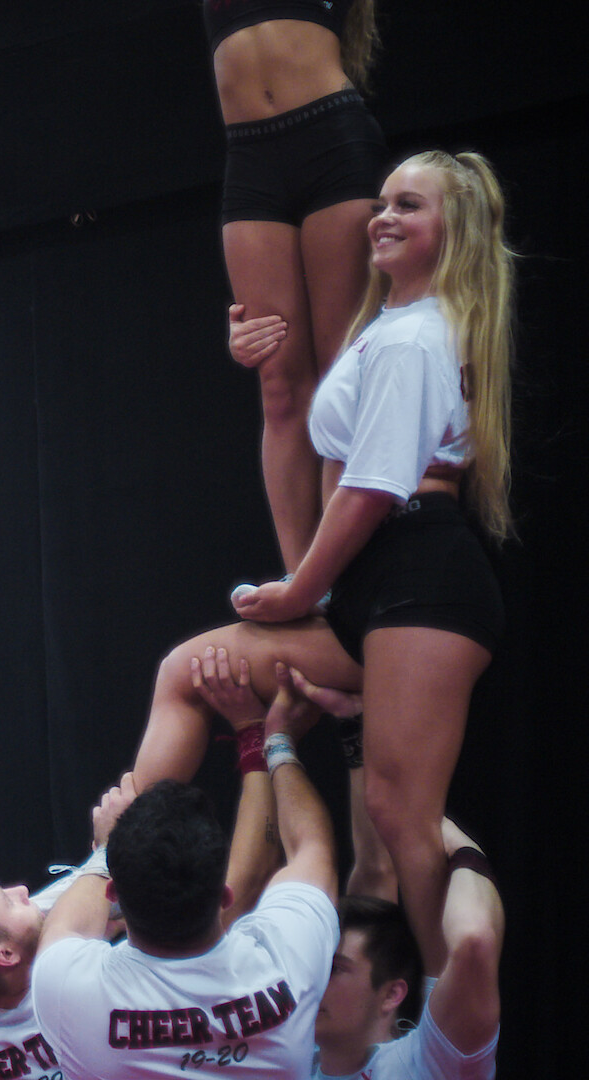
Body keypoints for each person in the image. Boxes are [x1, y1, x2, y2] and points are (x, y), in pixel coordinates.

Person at [132, 151, 515, 977]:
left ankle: (449, 1032)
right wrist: (257, 347)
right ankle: (119, 882)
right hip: (375, 589)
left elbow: (372, 488)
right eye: (380, 202)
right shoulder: (386, 324)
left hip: (423, 581)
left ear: (454, 233)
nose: (382, 217)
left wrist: (297, 590)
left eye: (407, 206)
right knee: (187, 672)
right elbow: (308, 422)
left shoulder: (418, 336)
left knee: (398, 816)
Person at [0, 671, 281, 1080]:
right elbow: (244, 882)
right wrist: (256, 739)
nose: (23, 890)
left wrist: (107, 851)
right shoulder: (84, 992)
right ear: (4, 956)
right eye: (6, 900)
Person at [34, 697, 339, 1079]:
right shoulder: (284, 958)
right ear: (225, 895)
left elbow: (67, 924)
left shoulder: (68, 992)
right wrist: (277, 741)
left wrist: (105, 849)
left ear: (112, 895)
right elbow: (313, 849)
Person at [207, 0, 385, 571]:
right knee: (279, 383)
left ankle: (345, 574)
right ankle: (303, 588)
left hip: (330, 138)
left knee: (342, 376)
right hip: (250, 155)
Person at [312, 819, 502, 1079]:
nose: (311, 979)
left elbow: (474, 941)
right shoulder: (285, 1059)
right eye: (313, 964)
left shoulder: (428, 1063)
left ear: (391, 994)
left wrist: (462, 848)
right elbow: (373, 869)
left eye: (334, 968)